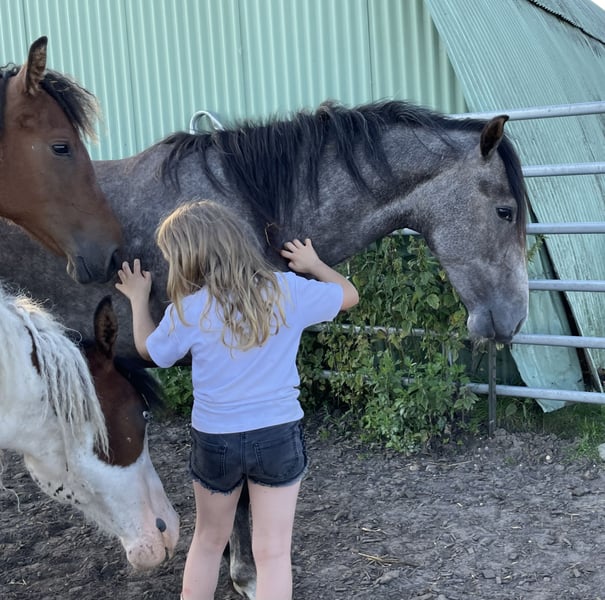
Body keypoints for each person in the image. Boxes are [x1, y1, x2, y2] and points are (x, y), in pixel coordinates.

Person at [115, 199, 359, 600]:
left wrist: (138, 299)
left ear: (188, 259)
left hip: (216, 440)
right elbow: (348, 295)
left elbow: (150, 351)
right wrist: (314, 263)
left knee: (209, 541)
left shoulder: (187, 311)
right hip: (277, 436)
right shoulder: (286, 290)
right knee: (273, 552)